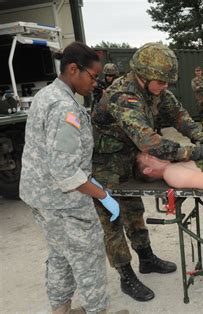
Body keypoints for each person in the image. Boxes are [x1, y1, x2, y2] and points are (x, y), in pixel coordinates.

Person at [91, 42, 203, 302]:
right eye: (161, 82)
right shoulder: (122, 95)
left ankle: (146, 258)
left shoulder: (156, 89)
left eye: (167, 82)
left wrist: (198, 136)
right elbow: (148, 141)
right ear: (142, 75)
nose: (165, 87)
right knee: (113, 220)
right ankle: (126, 275)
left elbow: (178, 114)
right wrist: (190, 152)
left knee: (134, 211)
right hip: (106, 167)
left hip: (130, 161)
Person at [19, 42, 121, 313]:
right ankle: (96, 310)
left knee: (60, 254)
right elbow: (65, 173)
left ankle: (60, 309)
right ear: (74, 69)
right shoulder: (66, 108)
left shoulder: (46, 94)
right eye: (93, 76)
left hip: (39, 195)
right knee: (88, 257)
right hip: (63, 202)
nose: (95, 82)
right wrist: (102, 195)